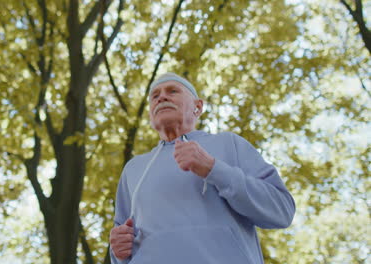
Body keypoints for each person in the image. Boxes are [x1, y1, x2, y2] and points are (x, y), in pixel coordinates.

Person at [109, 72, 296, 264]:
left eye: (172, 91)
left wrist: (214, 169)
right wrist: (117, 253)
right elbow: (121, 247)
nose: (162, 97)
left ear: (197, 107)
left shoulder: (229, 144)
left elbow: (282, 210)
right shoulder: (133, 169)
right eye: (155, 96)